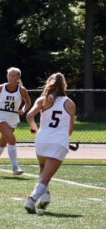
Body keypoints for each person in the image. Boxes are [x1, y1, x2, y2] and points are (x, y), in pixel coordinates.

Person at [23, 72, 75, 214]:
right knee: (45, 177)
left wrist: (35, 129)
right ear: (64, 85)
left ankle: (45, 197)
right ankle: (32, 199)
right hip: (58, 142)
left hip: (41, 140)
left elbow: (29, 116)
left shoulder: (42, 100)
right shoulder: (70, 103)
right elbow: (69, 131)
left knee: (43, 170)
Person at [0, 67, 31, 176]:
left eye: (13, 75)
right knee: (11, 138)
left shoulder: (22, 90)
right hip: (0, 116)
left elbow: (28, 103)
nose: (10, 77)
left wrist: (23, 110)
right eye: (9, 75)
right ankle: (15, 167)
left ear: (18, 78)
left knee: (3, 142)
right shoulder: (0, 88)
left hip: (13, 118)